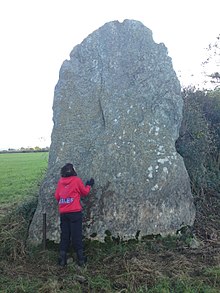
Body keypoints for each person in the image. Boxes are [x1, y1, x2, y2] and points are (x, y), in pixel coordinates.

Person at [54, 163, 94, 267]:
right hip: (75, 212)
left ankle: (62, 259)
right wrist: (89, 185)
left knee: (65, 235)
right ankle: (81, 259)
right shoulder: (76, 180)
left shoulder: (60, 181)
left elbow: (57, 196)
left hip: (64, 212)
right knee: (76, 235)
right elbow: (84, 192)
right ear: (73, 171)